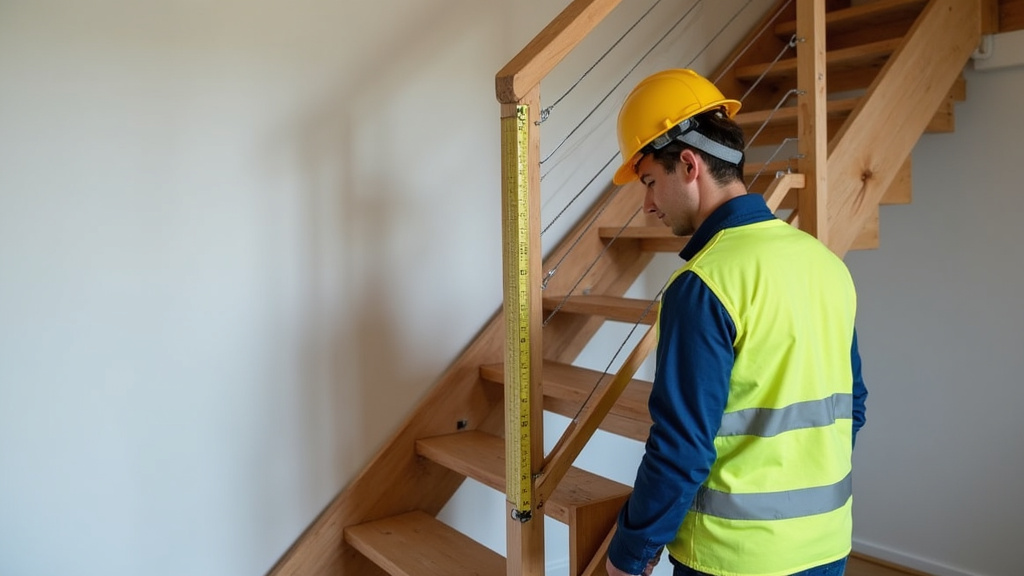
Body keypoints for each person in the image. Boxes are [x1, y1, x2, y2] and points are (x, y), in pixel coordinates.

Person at [603, 69, 868, 576]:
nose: (648, 204)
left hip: (733, 558)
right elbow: (852, 406)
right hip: (827, 545)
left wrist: (628, 556)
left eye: (650, 182)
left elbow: (681, 449)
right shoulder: (826, 264)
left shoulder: (703, 285)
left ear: (688, 164)